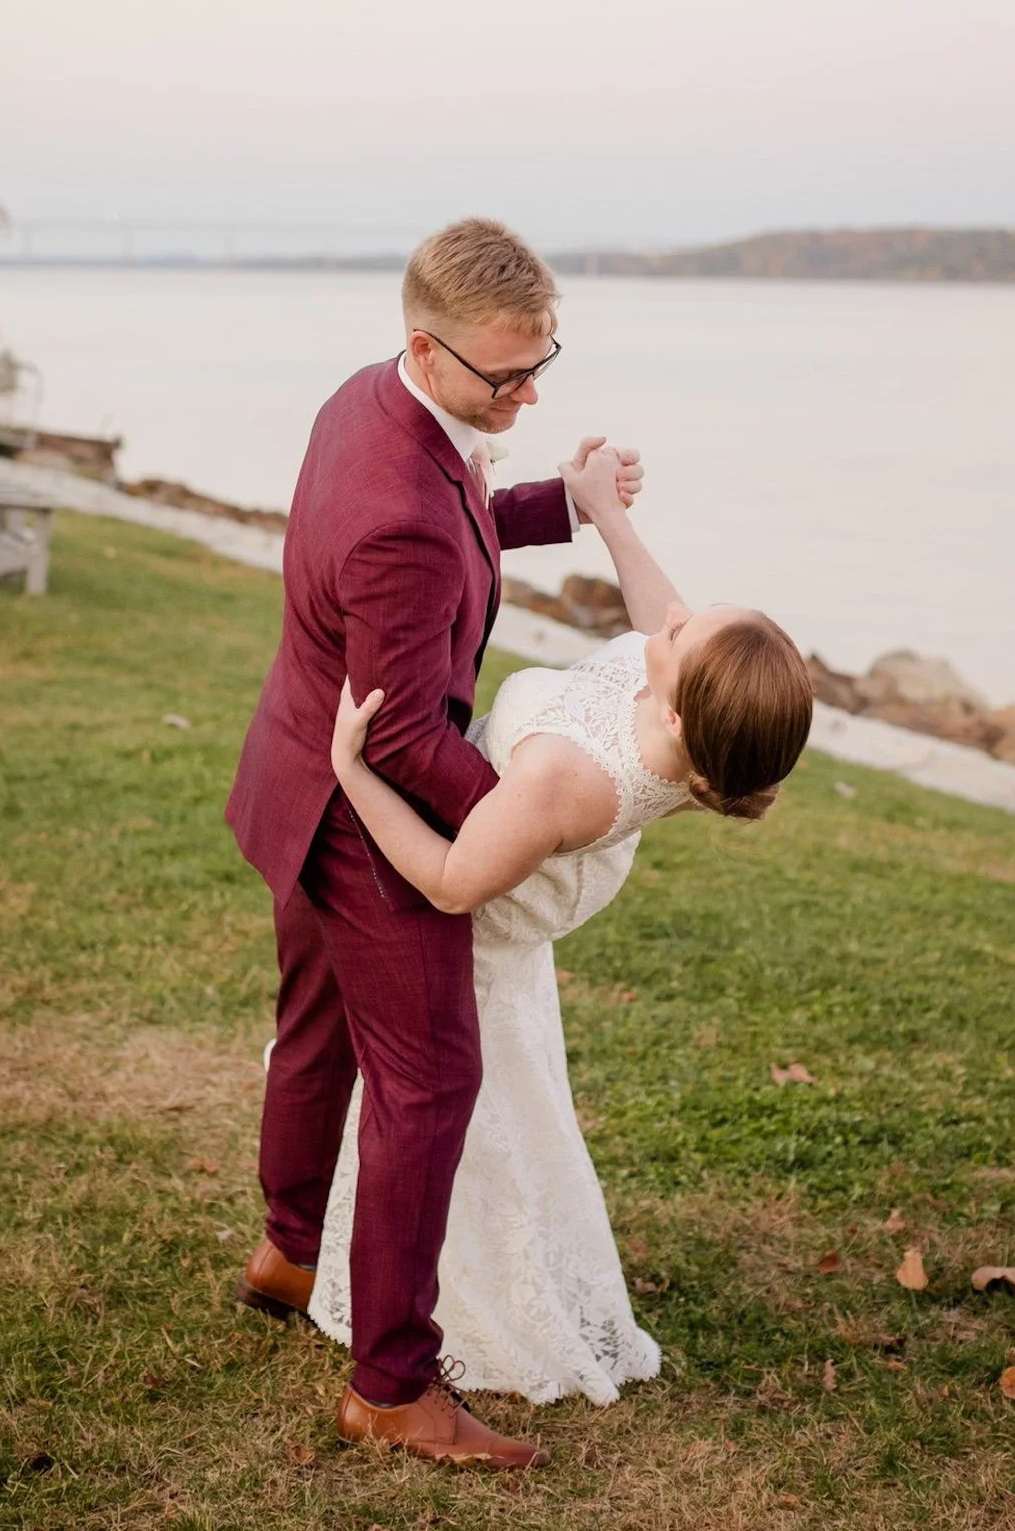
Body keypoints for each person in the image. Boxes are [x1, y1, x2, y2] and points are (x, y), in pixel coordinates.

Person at [224, 218, 642, 1472]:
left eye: (542, 363)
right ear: (426, 342)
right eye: (505, 376)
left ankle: (289, 1248)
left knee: (314, 1030)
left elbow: (451, 514)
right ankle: (393, 1385)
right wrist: (523, 821)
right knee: (429, 1080)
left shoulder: (373, 401)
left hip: (295, 770)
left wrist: (559, 503)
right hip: (364, 818)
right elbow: (407, 733)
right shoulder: (398, 506)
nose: (527, 392)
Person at [311, 435, 814, 1410]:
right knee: (499, 1106)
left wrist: (354, 773)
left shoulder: (564, 776)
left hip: (481, 914)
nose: (670, 616)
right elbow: (660, 609)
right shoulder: (685, 712)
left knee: (465, 1116)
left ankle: (468, 1305)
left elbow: (453, 882)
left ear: (676, 709)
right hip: (526, 865)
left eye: (683, 634)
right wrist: (602, 510)